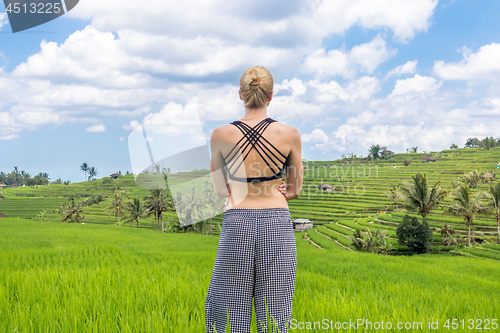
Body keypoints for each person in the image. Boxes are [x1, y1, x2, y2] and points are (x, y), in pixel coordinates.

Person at [205, 65, 303, 333]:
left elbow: (219, 189)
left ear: (241, 94)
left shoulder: (220, 135)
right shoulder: (290, 134)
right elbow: (294, 189)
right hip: (277, 222)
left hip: (237, 219)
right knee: (275, 309)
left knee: (228, 306)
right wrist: (281, 190)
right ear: (270, 96)